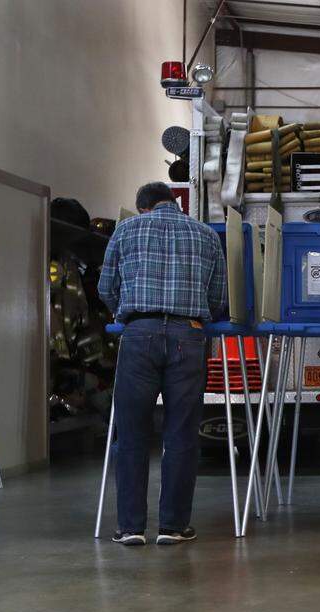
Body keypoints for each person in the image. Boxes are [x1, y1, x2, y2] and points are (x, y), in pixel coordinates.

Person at [98, 182, 227, 546]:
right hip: (189, 336)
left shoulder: (126, 230)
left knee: (133, 433)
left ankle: (130, 527)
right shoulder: (205, 234)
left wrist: (130, 310)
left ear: (143, 208)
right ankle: (173, 526)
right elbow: (218, 297)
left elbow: (106, 286)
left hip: (139, 334)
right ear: (173, 203)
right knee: (182, 433)